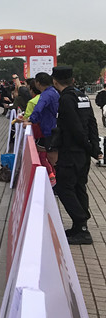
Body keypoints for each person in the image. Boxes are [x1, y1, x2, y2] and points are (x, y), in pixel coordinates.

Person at [51, 66, 102, 245]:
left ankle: (81, 225)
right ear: (72, 80)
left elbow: (75, 128)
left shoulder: (66, 99)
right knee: (79, 187)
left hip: (71, 152)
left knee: (64, 188)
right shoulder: (82, 96)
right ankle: (79, 227)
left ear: (55, 81)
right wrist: (94, 148)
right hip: (82, 154)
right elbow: (92, 123)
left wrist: (89, 147)